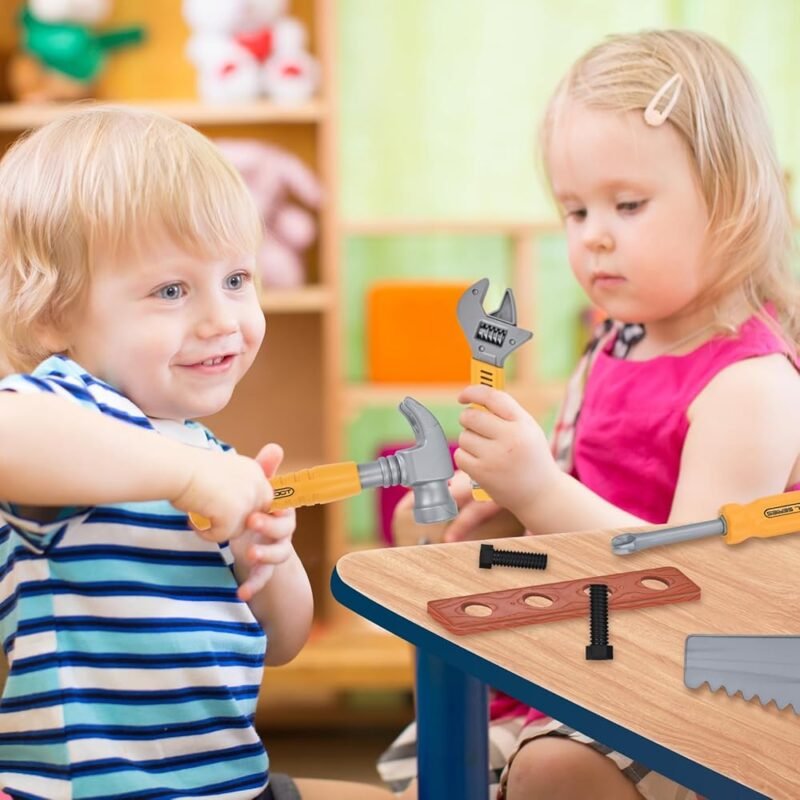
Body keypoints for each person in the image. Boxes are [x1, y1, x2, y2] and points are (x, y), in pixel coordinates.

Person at [380, 28, 800, 800]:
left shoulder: (753, 382)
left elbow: (696, 584)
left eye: (628, 204)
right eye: (574, 211)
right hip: (584, 654)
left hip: (697, 693)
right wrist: (500, 510)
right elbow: (584, 502)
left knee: (550, 773)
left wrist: (539, 488)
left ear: (735, 201)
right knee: (448, 763)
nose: (594, 235)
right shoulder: (616, 344)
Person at [0, 106, 393, 800]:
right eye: (172, 290)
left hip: (225, 784)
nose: (222, 320)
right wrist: (186, 476)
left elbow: (283, 643)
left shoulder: (205, 451)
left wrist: (264, 558)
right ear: (52, 314)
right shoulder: (65, 410)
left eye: (237, 279)